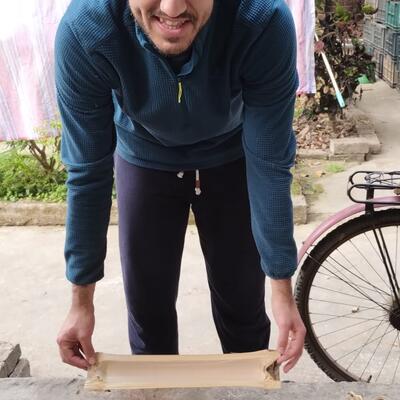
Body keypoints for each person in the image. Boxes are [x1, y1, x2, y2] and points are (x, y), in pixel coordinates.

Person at [56, 0, 306, 375]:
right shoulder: (86, 30)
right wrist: (80, 300)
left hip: (230, 156)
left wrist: (282, 288)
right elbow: (87, 171)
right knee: (148, 310)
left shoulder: (262, 18)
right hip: (143, 156)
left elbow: (269, 162)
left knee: (243, 306)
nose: (172, 9)